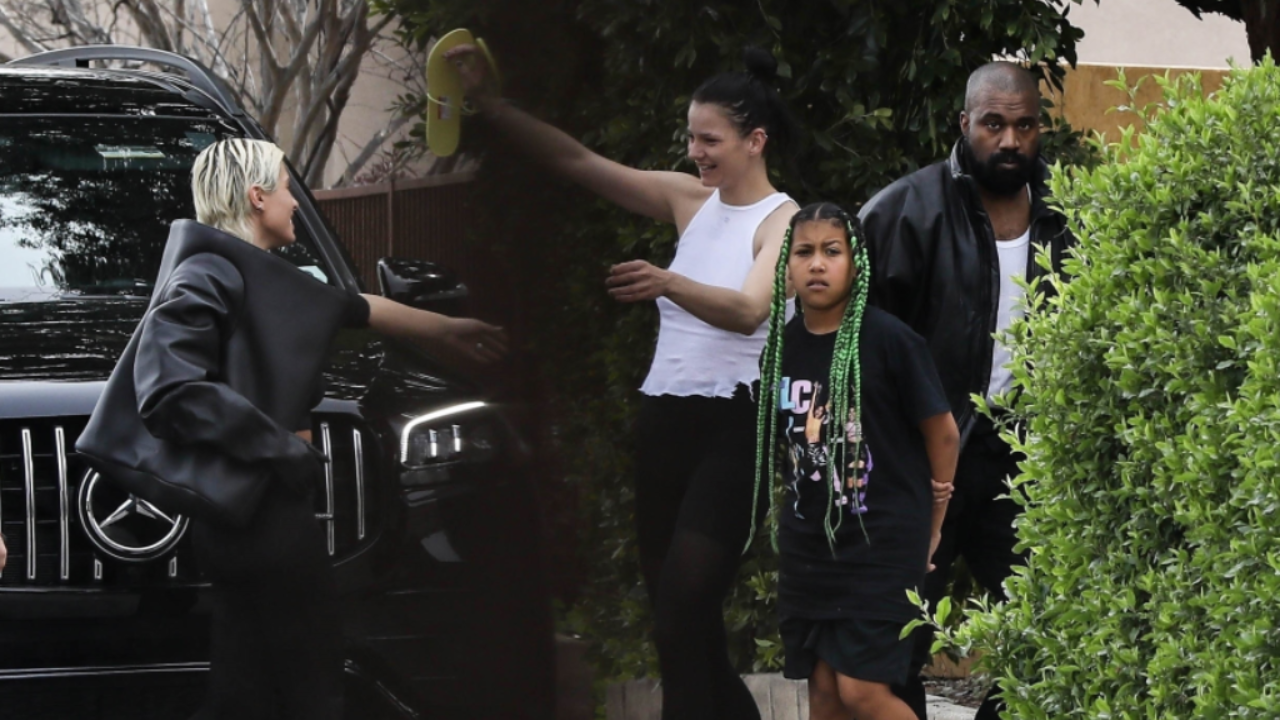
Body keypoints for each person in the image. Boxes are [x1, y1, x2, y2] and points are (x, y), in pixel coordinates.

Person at [80, 138, 506, 720]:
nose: (295, 201)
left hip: (258, 510)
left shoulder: (257, 275)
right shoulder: (206, 274)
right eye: (285, 188)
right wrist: (278, 448)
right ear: (257, 197)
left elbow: (354, 307)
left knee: (246, 693)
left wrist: (450, 330)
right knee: (312, 683)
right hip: (259, 515)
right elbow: (169, 390)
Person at [446, 43, 798, 719]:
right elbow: (577, 162)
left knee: (683, 610)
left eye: (710, 140)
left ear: (755, 141)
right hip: (664, 423)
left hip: (735, 430)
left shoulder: (783, 221)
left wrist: (669, 281)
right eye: (691, 137)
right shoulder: (689, 200)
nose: (695, 152)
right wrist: (491, 105)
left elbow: (750, 309)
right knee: (682, 630)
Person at [858, 61, 1076, 720]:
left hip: (1021, 461)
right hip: (922, 460)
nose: (1010, 141)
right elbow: (850, 341)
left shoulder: (1068, 216)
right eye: (993, 124)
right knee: (895, 644)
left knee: (1049, 637)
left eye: (1025, 125)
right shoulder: (905, 211)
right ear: (964, 124)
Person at [754, 202, 959, 720]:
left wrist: (932, 526)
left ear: (856, 264)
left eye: (832, 251)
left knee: (862, 692)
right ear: (787, 266)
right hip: (810, 552)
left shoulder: (891, 340)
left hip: (880, 546)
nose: (817, 264)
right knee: (825, 693)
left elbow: (943, 434)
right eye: (804, 252)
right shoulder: (780, 348)